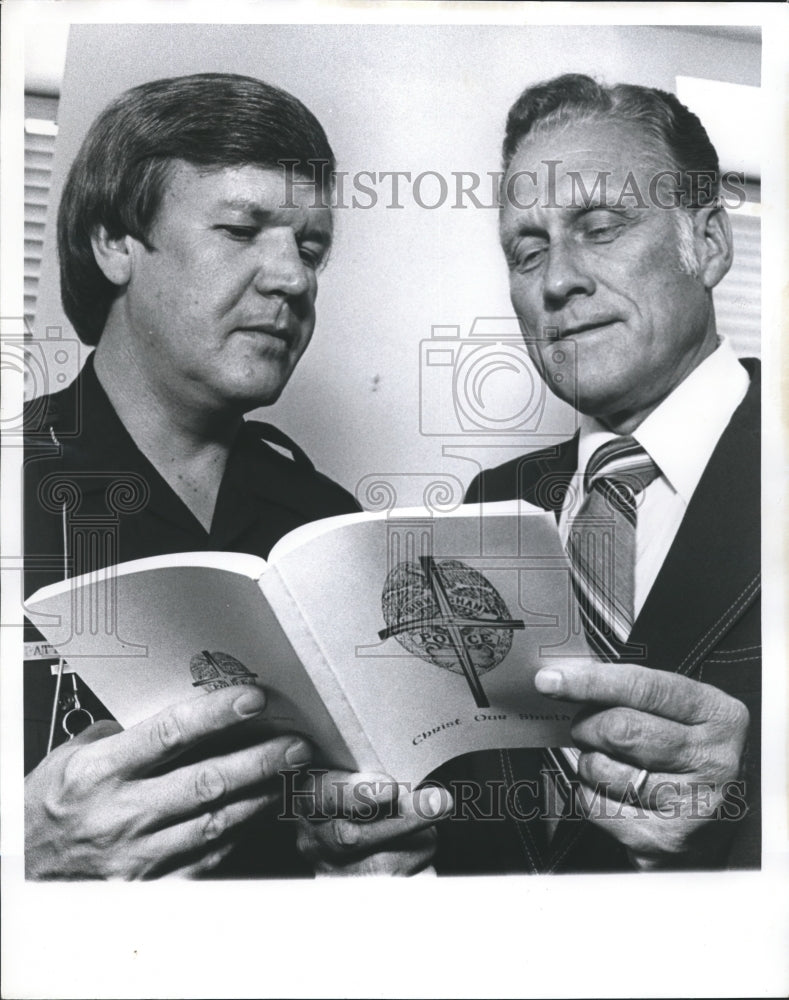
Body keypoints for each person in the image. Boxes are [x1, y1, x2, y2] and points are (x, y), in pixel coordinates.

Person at [297, 74, 760, 874]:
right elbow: (482, 810)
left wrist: (751, 806)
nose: (556, 281)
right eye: (527, 249)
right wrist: (392, 834)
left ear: (708, 243)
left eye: (602, 226)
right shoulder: (491, 506)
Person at [23, 72, 442, 879]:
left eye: (309, 248)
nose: (293, 278)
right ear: (115, 243)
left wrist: (376, 853)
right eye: (242, 229)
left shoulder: (334, 530)